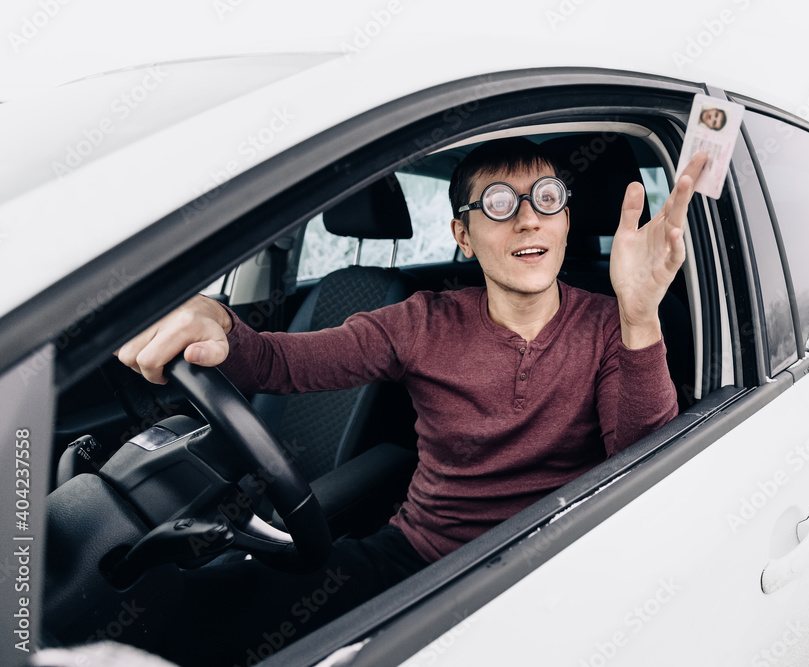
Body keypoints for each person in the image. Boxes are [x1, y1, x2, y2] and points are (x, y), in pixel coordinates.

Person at [114, 138, 707, 660]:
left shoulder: (610, 323)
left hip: (550, 564)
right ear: (463, 236)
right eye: (500, 204)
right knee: (217, 610)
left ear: (565, 221)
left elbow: (644, 464)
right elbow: (281, 361)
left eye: (546, 198)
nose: (528, 220)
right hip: (418, 556)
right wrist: (215, 316)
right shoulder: (421, 322)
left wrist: (639, 310)